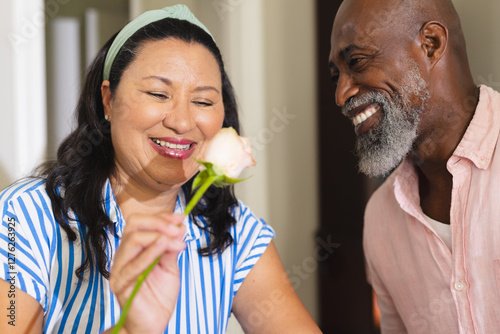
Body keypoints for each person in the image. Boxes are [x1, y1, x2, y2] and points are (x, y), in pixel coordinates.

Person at [0, 5, 321, 333]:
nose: (181, 122)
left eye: (203, 102)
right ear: (108, 101)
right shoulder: (22, 217)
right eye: (158, 94)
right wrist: (130, 329)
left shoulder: (235, 231)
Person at [329, 0, 500, 332]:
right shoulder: (380, 219)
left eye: (357, 61)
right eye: (337, 76)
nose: (341, 94)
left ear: (431, 44)